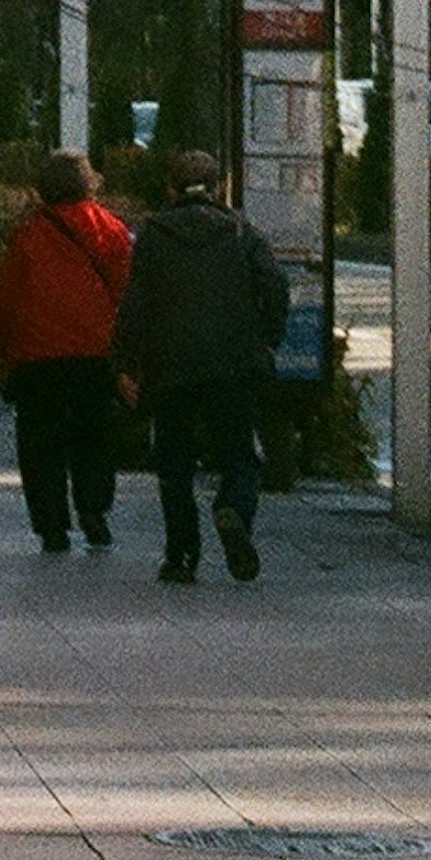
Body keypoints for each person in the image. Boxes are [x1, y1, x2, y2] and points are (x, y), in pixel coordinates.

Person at [112, 146, 291, 587]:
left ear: (170, 188)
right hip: (232, 364)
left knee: (174, 464)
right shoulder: (238, 231)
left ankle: (181, 555)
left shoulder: (152, 234)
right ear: (218, 188)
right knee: (239, 456)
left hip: (170, 367)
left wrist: (125, 363)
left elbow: (135, 304)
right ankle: (233, 509)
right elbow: (275, 285)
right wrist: (265, 339)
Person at [0, 146, 133, 557]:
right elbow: (127, 295)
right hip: (95, 354)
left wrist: (1, 349)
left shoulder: (29, 236)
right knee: (94, 436)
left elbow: (4, 298)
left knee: (40, 441)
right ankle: (94, 509)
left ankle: (51, 525)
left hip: (37, 357)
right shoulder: (112, 231)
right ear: (89, 183)